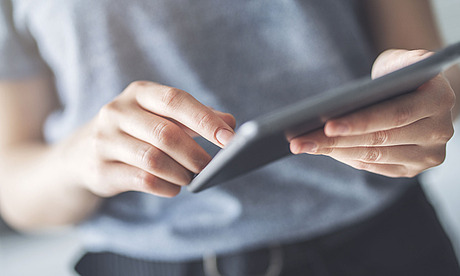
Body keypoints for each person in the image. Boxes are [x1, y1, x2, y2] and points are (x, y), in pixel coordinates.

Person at [0, 0, 459, 275]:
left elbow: (430, 64)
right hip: (150, 263)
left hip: (386, 245)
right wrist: (77, 161)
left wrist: (431, 100)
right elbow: (14, 181)